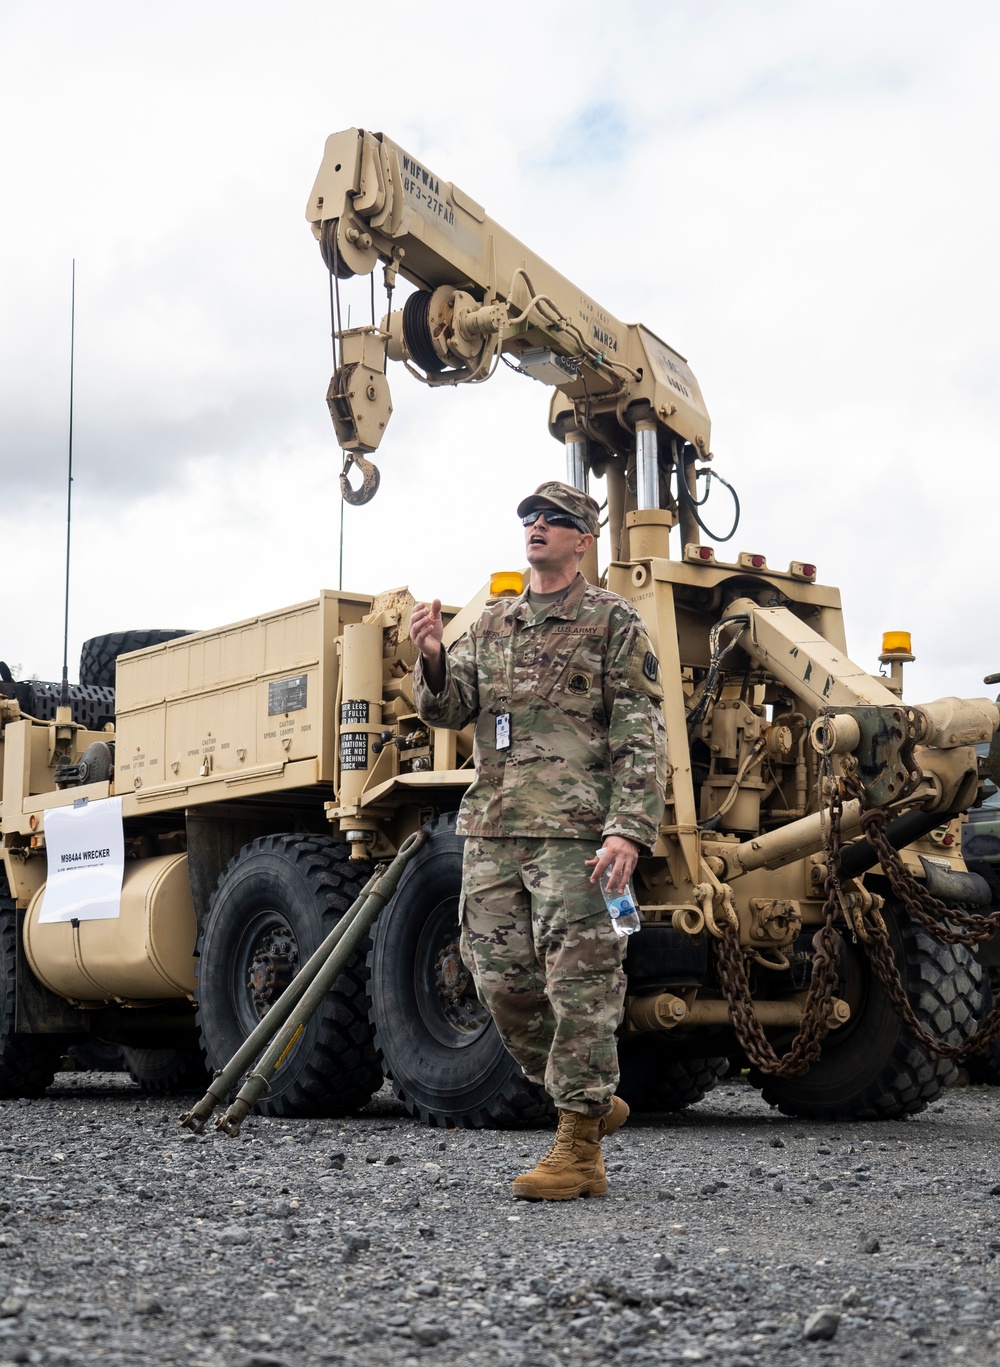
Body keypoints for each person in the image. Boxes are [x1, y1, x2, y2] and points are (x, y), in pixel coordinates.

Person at [409, 480, 667, 1201]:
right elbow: (450, 704)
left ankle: (579, 1147)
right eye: (529, 517)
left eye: (554, 519)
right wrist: (430, 652)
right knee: (495, 976)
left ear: (584, 539)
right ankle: (588, 1095)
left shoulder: (613, 621)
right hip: (494, 826)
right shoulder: (494, 624)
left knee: (579, 981)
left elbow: (640, 730)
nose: (537, 525)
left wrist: (629, 830)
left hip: (577, 835)